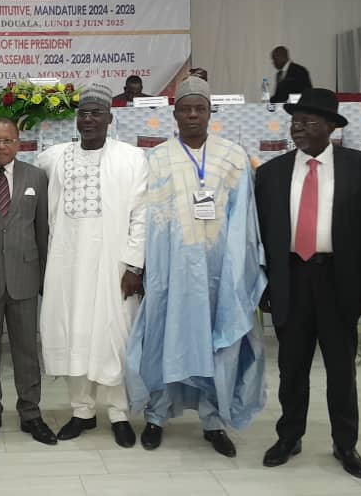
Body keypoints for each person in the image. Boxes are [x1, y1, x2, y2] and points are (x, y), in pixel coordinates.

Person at [126, 76, 266, 458]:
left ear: (209, 113)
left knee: (216, 344)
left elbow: (244, 219)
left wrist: (240, 272)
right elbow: (146, 217)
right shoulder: (156, 159)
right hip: (171, 272)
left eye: (199, 109)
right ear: (174, 114)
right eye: (185, 109)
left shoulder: (233, 156)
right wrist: (141, 267)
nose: (192, 115)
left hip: (219, 272)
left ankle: (214, 421)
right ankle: (156, 416)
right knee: (164, 339)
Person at [255, 88, 361, 478]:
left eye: (308, 121)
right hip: (291, 278)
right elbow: (261, 236)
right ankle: (289, 435)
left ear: (331, 127)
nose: (298, 127)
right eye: (295, 121)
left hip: (340, 279)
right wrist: (264, 285)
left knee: (341, 368)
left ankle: (345, 443)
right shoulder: (271, 173)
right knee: (291, 366)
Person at [36, 83, 147, 448]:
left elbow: (142, 215)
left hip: (114, 267)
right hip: (67, 265)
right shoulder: (53, 158)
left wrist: (134, 266)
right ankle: (82, 411)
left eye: (96, 113)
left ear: (110, 119)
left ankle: (119, 414)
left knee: (114, 338)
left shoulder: (132, 158)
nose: (88, 119)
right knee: (75, 336)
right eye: (83, 113)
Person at [0, 118, 55, 446]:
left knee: (26, 351)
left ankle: (31, 412)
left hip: (25, 277)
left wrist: (45, 276)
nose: (1, 146)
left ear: (19, 142)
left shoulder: (36, 177)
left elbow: (43, 229)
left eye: (7, 140)